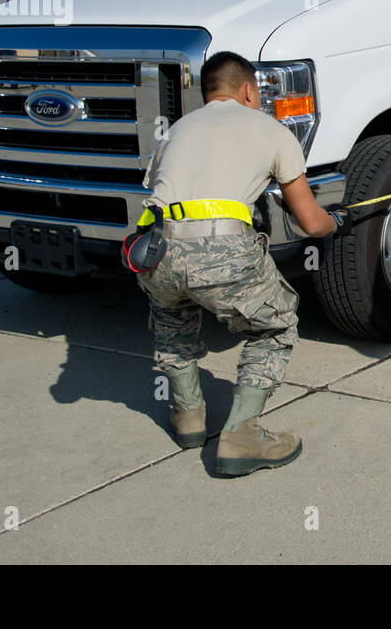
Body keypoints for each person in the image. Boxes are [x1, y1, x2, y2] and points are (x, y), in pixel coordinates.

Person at [136, 51, 342, 477]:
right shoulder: (270, 128)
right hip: (222, 248)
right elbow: (308, 221)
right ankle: (242, 433)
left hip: (157, 247)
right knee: (276, 324)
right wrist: (333, 223)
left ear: (206, 93)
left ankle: (189, 418)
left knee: (172, 313)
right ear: (250, 90)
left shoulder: (177, 130)